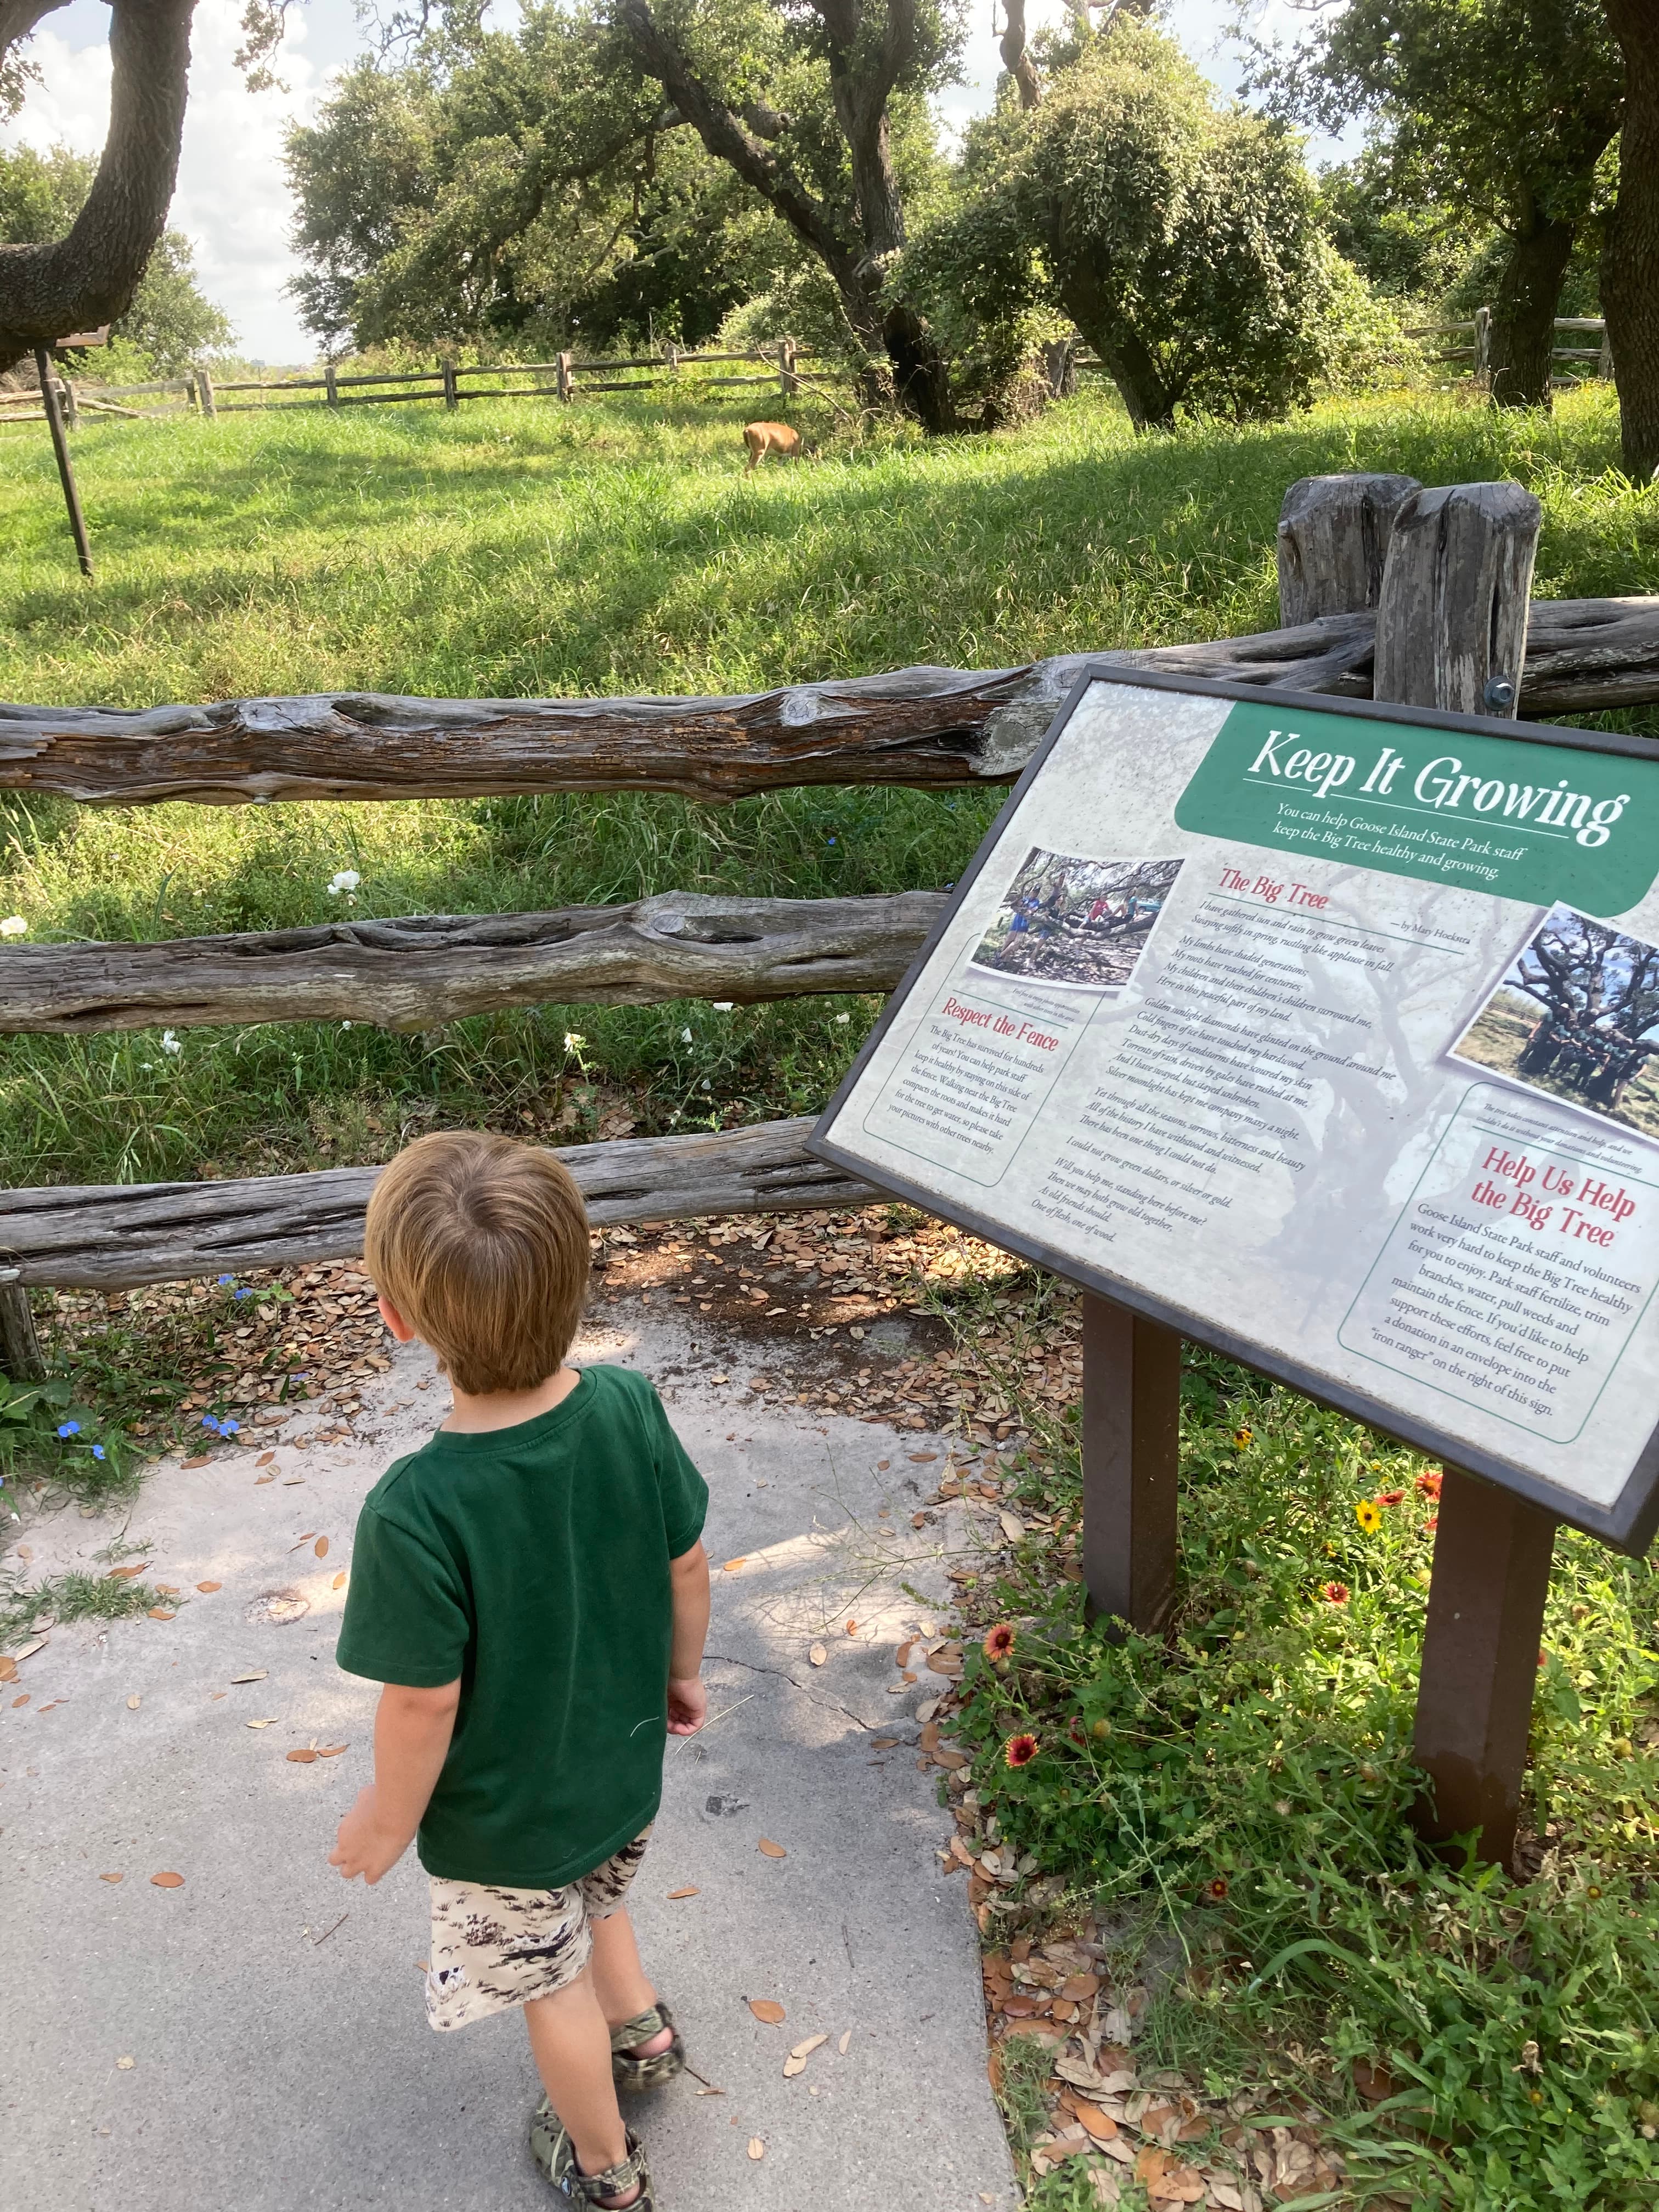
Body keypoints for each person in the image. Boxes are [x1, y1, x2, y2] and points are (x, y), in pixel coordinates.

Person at [328, 1131, 711, 2211]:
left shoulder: (418, 1510)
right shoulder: (630, 1409)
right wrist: (681, 1675)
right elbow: (686, 1560)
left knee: (550, 1990)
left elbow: (422, 1698)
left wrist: (389, 1817)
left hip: (504, 1828)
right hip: (619, 1766)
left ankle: (605, 2171)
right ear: (580, 1285)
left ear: (399, 1319)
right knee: (600, 1888)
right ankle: (644, 2035)